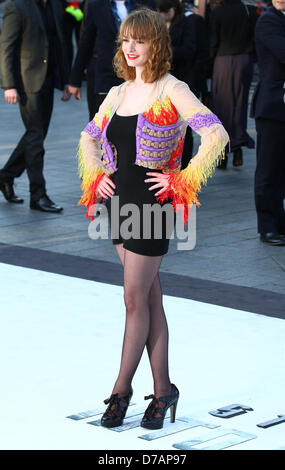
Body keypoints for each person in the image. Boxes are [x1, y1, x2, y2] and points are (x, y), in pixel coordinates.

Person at [77, 8, 228, 429]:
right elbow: (89, 138)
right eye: (125, 40)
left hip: (151, 207)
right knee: (148, 300)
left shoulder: (171, 88)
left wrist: (183, 179)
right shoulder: (117, 93)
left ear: (155, 44)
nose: (130, 48)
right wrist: (96, 176)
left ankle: (120, 390)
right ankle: (164, 391)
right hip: (120, 206)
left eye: (138, 40)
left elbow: (216, 133)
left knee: (132, 299)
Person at [0, 0, 70, 212]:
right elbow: (6, 47)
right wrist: (8, 85)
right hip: (26, 80)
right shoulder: (16, 6)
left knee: (36, 134)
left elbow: (61, 41)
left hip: (48, 79)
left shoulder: (55, 5)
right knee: (35, 136)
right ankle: (38, 195)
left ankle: (6, 176)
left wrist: (68, 80)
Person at [68, 0, 156, 119]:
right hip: (106, 77)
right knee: (102, 126)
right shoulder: (96, 5)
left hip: (140, 76)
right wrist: (75, 80)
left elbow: (157, 38)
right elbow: (86, 41)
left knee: (137, 126)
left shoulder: (146, 3)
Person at [157, 0, 210, 167]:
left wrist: (164, 54)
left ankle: (184, 168)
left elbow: (189, 49)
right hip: (161, 82)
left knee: (184, 129)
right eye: (161, 11)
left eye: (167, 11)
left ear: (174, 8)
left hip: (183, 80)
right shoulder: (157, 25)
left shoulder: (187, 22)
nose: (164, 15)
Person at [250, 0, 285, 246]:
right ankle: (268, 226)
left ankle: (280, 222)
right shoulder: (269, 20)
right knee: (269, 170)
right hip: (273, 106)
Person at [209, 0, 258, 169]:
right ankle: (237, 148)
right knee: (239, 105)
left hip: (222, 61)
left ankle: (222, 154)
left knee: (222, 107)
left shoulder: (217, 12)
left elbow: (213, 41)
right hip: (244, 61)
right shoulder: (249, 10)